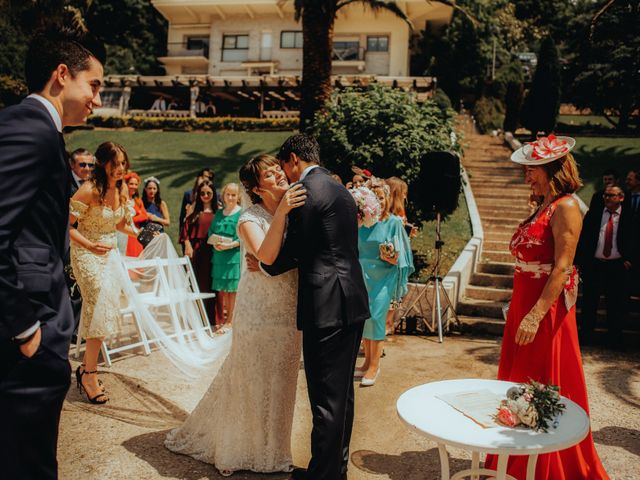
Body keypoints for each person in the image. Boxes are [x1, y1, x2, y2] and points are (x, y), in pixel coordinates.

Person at [0, 27, 105, 479]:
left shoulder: (32, 127)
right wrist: (24, 324)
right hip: (29, 320)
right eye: (95, 85)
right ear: (62, 75)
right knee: (28, 459)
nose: (98, 99)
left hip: (35, 314)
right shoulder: (31, 129)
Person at [165, 155, 306, 476]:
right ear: (256, 188)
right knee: (252, 378)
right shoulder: (248, 219)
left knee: (283, 380)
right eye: (269, 175)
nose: (279, 176)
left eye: (277, 170)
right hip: (258, 311)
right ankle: (239, 448)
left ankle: (274, 451)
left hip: (289, 307)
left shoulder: (298, 208)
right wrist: (282, 212)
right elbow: (267, 254)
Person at [484, 135, 609, 479]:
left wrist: (536, 314)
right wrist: (519, 307)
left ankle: (546, 467)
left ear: (553, 169)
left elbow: (562, 267)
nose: (526, 174)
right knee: (518, 379)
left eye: (532, 169)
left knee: (542, 381)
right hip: (524, 303)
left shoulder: (566, 206)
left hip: (545, 311)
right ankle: (515, 458)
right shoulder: (541, 206)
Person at [258, 134, 371, 480]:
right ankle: (332, 470)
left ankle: (323, 476)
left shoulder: (306, 193)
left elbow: (293, 250)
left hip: (326, 307)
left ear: (293, 159)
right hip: (352, 300)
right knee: (342, 395)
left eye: (285, 168)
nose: (286, 177)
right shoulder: (341, 190)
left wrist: (265, 264)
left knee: (325, 398)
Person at [70, 142, 138, 404]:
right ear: (102, 163)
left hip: (109, 254)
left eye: (123, 163)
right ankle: (89, 373)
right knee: (97, 299)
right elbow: (68, 228)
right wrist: (89, 245)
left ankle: (87, 368)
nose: (121, 168)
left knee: (102, 309)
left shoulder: (121, 190)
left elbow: (120, 224)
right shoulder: (88, 190)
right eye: (115, 163)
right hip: (85, 251)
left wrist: (143, 232)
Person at [355, 180, 413, 386]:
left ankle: (374, 366)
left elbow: (400, 257)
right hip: (362, 276)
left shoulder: (394, 222)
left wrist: (389, 255)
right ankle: (366, 363)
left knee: (377, 317)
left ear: (388, 199)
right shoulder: (360, 222)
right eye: (375, 197)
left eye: (382, 197)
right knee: (365, 319)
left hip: (383, 277)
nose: (378, 201)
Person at [576, 184, 637, 348]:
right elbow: (584, 238)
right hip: (595, 265)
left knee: (615, 304)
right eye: (605, 195)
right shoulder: (595, 214)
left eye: (611, 195)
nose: (607, 198)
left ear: (621, 198)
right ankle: (586, 337)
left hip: (617, 267)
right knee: (589, 303)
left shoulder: (630, 216)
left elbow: (635, 240)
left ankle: (614, 340)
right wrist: (581, 262)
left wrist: (630, 259)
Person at [180, 180, 217, 322]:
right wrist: (188, 245)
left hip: (213, 253)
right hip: (196, 252)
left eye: (209, 193)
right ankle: (196, 318)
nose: (206, 195)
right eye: (202, 193)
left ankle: (211, 319)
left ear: (214, 194)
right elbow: (185, 232)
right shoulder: (194, 212)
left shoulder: (218, 212)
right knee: (196, 283)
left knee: (211, 284)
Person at [208, 183, 242, 327]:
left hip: (233, 257)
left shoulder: (241, 213)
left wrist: (230, 245)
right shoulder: (219, 213)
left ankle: (230, 321)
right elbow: (211, 231)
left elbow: (244, 237)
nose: (230, 197)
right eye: (228, 194)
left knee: (232, 289)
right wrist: (214, 243)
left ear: (238, 196)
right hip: (219, 255)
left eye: (233, 195)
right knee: (223, 289)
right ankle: (225, 319)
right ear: (223, 195)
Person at [179, 168, 214, 235]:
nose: (207, 179)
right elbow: (182, 216)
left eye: (210, 178)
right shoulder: (188, 194)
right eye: (205, 176)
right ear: (199, 177)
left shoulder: (217, 196)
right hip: (191, 230)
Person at [124, 171, 148, 257]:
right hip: (125, 232)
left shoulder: (138, 200)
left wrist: (132, 219)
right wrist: (139, 215)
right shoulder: (121, 200)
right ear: (125, 184)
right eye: (131, 184)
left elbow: (145, 216)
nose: (134, 186)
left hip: (137, 233)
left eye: (136, 184)